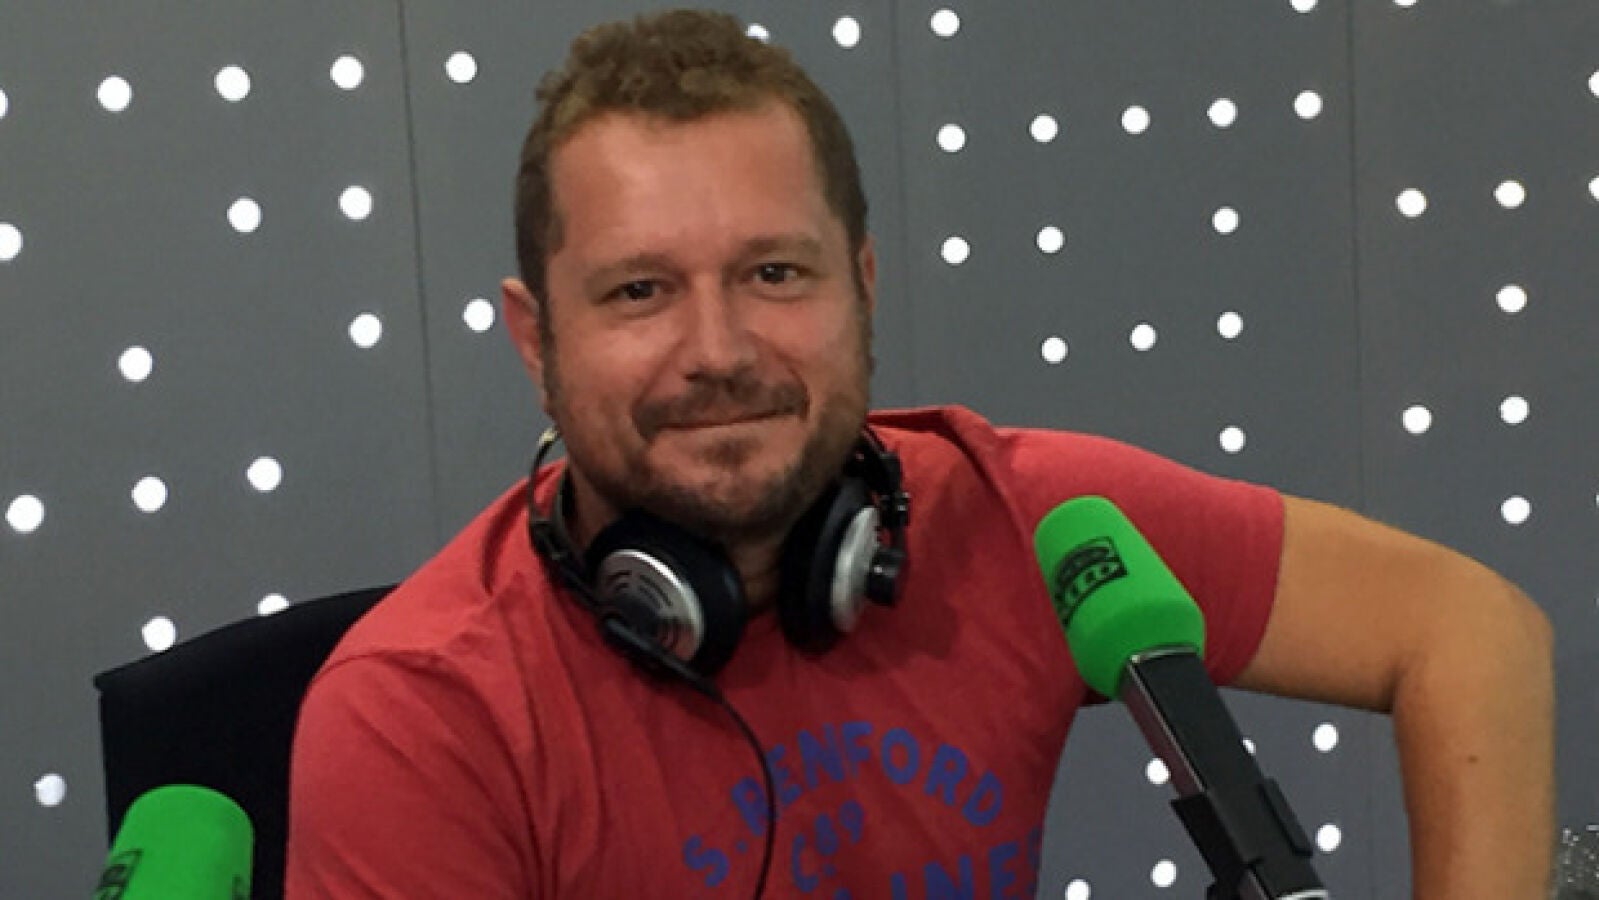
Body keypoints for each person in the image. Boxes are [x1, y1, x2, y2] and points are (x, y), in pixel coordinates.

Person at [285, 9, 1554, 898]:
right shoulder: (419, 716)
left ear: (864, 286)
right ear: (535, 338)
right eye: (639, 292)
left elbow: (1468, 627)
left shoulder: (1027, 524)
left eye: (775, 274)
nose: (717, 350)